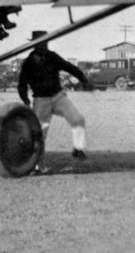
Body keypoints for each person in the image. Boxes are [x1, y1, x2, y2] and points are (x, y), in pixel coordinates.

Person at [17, 32, 93, 163]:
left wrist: (84, 80)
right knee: (39, 134)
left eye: (46, 42)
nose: (44, 45)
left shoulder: (52, 57)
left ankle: (78, 149)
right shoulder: (28, 63)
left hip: (58, 97)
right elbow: (21, 85)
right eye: (41, 43)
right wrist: (26, 101)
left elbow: (70, 67)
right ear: (34, 45)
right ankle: (36, 165)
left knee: (78, 119)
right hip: (41, 101)